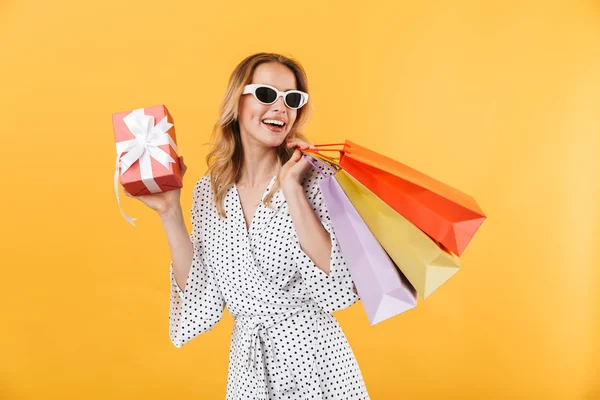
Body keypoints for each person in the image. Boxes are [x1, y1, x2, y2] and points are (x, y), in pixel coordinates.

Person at [124, 52, 369, 400]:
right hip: (248, 371)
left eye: (292, 99)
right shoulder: (209, 191)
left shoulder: (315, 179)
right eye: (266, 94)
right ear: (236, 102)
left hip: (316, 364)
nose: (280, 109)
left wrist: (292, 189)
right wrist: (169, 212)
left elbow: (339, 290)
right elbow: (201, 304)